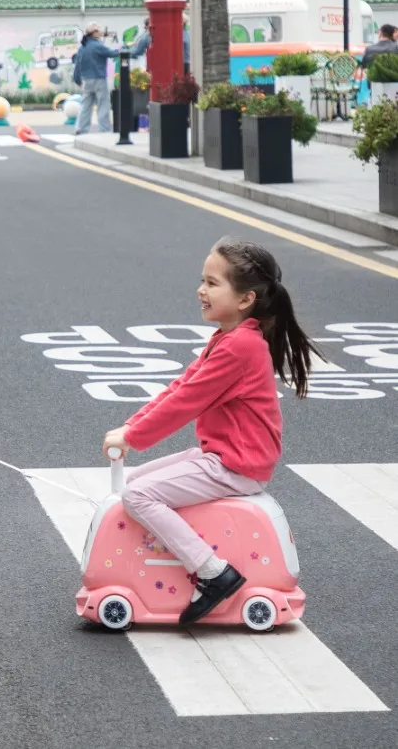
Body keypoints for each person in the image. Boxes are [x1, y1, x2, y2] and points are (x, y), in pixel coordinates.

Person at [102, 238, 321, 627]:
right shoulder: (230, 338)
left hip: (236, 464)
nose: (201, 290)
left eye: (213, 283)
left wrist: (133, 439)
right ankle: (174, 562)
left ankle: (212, 571)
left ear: (245, 299)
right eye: (202, 280)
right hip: (227, 456)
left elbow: (186, 402)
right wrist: (131, 426)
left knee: (137, 495)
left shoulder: (239, 347)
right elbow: (181, 386)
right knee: (138, 481)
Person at [72, 22, 120, 135]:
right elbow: (112, 53)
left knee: (86, 105)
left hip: (86, 80)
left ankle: (81, 128)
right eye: (99, 30)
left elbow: (77, 65)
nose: (101, 31)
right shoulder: (98, 46)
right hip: (99, 79)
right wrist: (125, 49)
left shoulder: (83, 47)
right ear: (94, 33)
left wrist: (77, 79)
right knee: (103, 104)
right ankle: (104, 129)